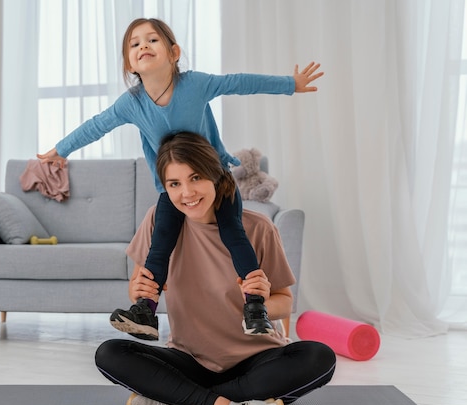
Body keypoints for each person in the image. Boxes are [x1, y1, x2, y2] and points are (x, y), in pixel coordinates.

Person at [38, 17, 324, 340]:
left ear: (174, 52)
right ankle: (146, 310)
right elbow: (96, 125)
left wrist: (291, 84)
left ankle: (255, 307)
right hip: (174, 190)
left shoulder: (195, 85)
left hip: (217, 182)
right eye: (135, 44)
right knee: (160, 244)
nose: (143, 46)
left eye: (152, 40)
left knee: (234, 234)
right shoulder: (131, 104)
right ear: (129, 62)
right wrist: (60, 150)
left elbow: (239, 82)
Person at [94, 132, 336, 405]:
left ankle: (178, 400)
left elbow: (284, 302)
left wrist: (262, 297)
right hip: (190, 359)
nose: (187, 192)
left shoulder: (258, 227)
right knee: (109, 354)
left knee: (320, 358)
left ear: (214, 174)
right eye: (174, 184)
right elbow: (137, 287)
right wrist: (138, 290)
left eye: (195, 177)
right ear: (165, 188)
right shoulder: (158, 221)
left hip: (256, 361)